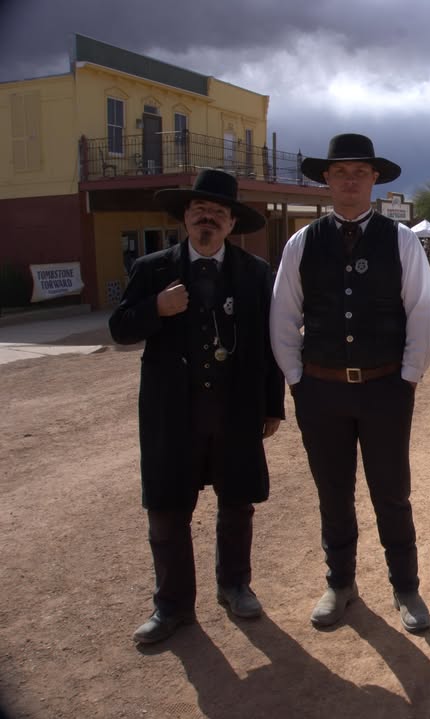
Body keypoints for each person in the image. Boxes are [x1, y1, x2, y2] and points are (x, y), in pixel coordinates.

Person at [270, 134, 430, 633]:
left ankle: (405, 587)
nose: (350, 180)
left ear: (375, 180)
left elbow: (423, 312)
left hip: (385, 388)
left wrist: (408, 377)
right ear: (326, 179)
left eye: (360, 172)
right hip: (320, 391)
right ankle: (340, 583)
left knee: (392, 492)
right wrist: (297, 379)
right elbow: (283, 315)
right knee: (333, 492)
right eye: (340, 171)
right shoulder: (301, 242)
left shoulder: (402, 240)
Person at [110, 169, 284, 644]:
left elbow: (270, 344)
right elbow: (120, 328)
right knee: (166, 510)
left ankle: (234, 585)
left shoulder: (254, 273)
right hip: (172, 415)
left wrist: (273, 405)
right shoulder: (152, 270)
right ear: (186, 217)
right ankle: (171, 607)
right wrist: (155, 309)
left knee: (237, 503)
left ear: (231, 223)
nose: (208, 218)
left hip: (235, 410)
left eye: (219, 213)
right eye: (199, 210)